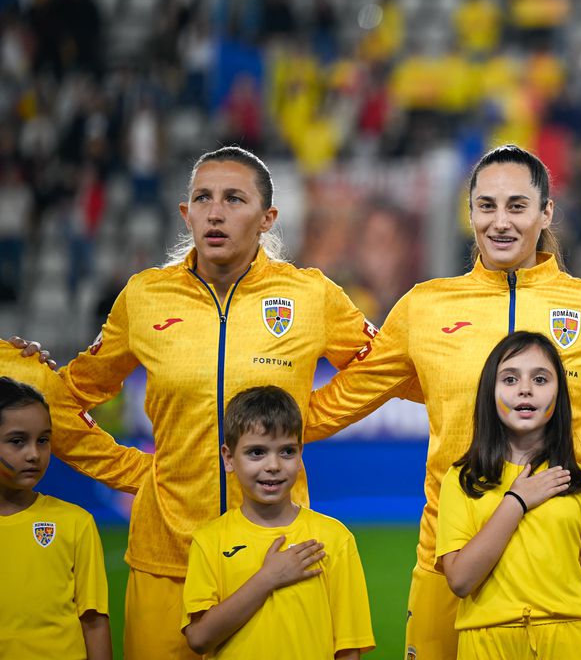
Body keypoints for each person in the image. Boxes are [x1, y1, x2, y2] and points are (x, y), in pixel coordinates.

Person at [303, 144, 581, 659]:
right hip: (447, 561)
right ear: (469, 212)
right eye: (487, 206)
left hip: (559, 568)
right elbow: (345, 399)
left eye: (517, 206)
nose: (501, 222)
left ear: (546, 213)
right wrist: (248, 430)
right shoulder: (424, 309)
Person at [11, 145, 378, 660]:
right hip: (165, 560)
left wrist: (303, 422)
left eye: (234, 198)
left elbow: (380, 365)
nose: (215, 211)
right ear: (186, 213)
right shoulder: (145, 298)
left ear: (267, 217)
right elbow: (67, 397)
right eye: (202, 198)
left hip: (271, 555)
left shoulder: (310, 296)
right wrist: (130, 470)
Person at [437, 332, 581, 659]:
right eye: (510, 378)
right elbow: (461, 580)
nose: (525, 388)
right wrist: (516, 502)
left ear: (559, 394)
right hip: (486, 645)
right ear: (489, 394)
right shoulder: (462, 480)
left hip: (570, 644)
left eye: (540, 379)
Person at [182, 386, 373, 658]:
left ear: (300, 454)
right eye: (257, 452)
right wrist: (267, 579)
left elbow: (348, 649)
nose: (273, 465)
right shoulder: (209, 541)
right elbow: (199, 638)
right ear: (228, 458)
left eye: (286, 452)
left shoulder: (334, 538)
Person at [0, 377, 111, 660]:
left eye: (43, 440)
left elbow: (94, 622)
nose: (34, 454)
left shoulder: (75, 522)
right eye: (17, 441)